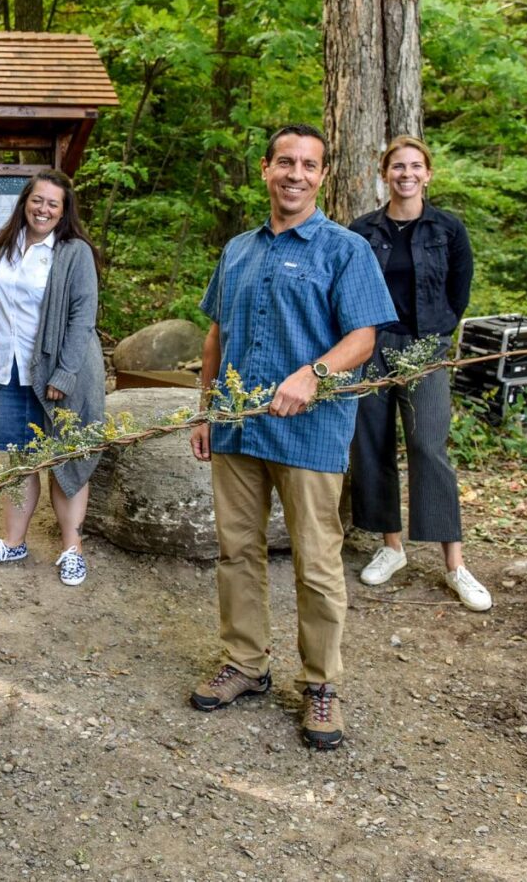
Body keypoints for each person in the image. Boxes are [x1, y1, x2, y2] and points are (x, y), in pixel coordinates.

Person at [187, 124, 395, 751]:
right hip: (238, 426)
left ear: (322, 175)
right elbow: (216, 335)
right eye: (285, 162)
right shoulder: (238, 250)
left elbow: (364, 337)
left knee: (317, 562)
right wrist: (205, 408)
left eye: (308, 164)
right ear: (265, 169)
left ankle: (322, 684)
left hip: (310, 432)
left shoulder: (344, 249)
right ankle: (246, 663)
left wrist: (315, 372)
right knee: (236, 552)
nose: (295, 174)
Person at [348, 137, 488, 611]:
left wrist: (438, 335)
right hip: (371, 347)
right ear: (384, 174)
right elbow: (349, 288)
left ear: (427, 174)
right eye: (397, 167)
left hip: (426, 347)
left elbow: (459, 291)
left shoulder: (448, 229)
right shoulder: (362, 231)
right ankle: (391, 547)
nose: (405, 174)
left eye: (414, 167)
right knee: (372, 443)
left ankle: (455, 564)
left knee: (429, 444)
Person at [0, 170, 105, 586]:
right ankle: (13, 542)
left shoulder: (73, 252)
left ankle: (71, 550)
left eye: (52, 204)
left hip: (61, 373)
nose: (42, 209)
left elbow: (83, 319)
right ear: (25, 201)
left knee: (65, 462)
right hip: (9, 370)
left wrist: (64, 371)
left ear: (63, 211)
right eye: (37, 200)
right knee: (20, 459)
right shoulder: (4, 243)